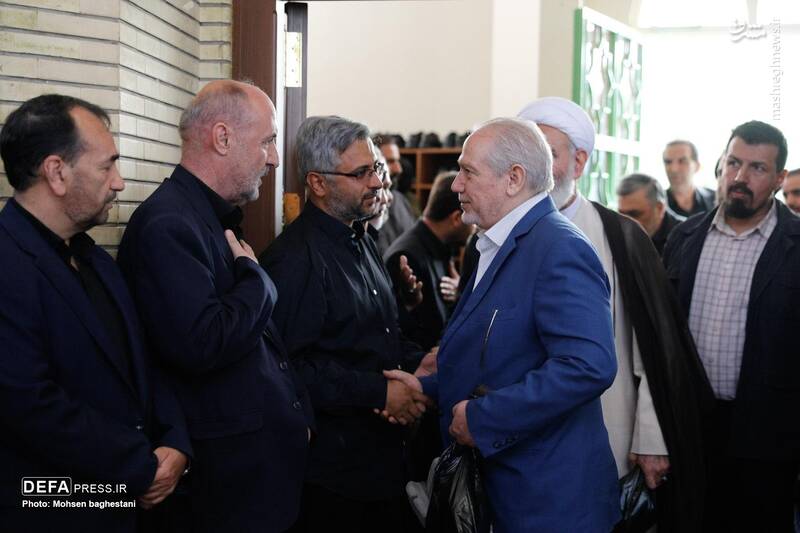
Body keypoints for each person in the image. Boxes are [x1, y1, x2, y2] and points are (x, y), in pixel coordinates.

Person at [388, 117, 620, 532]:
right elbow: (500, 358)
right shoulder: (490, 243)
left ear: (514, 178)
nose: (455, 184)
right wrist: (427, 388)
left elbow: (588, 366)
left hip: (547, 502)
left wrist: (484, 419)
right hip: (507, 493)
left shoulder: (559, 248)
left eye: (468, 172)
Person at [117, 80, 313, 532]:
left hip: (257, 476)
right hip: (224, 488)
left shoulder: (207, 215)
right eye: (267, 141)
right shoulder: (168, 224)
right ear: (222, 138)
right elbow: (201, 342)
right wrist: (258, 281)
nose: (275, 158)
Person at [519, 97, 712, 532]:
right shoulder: (495, 234)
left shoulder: (620, 235)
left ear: (579, 162)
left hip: (607, 427)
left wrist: (651, 438)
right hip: (519, 432)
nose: (535, 167)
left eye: (548, 153)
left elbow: (652, 349)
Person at [0, 94, 191, 532]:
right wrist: (140, 466)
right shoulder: (7, 264)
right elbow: (28, 405)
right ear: (57, 172)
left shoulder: (96, 260)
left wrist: (175, 441)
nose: (119, 182)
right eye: (108, 166)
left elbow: (143, 360)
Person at [259, 116, 431, 533]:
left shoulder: (363, 239)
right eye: (361, 173)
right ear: (318, 183)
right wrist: (380, 392)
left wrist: (420, 363)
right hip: (334, 482)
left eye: (375, 169)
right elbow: (288, 370)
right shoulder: (294, 260)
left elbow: (376, 337)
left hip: (383, 466)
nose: (377, 182)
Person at [663, 120, 799, 532]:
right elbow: (663, 336)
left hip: (768, 439)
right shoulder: (685, 237)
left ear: (778, 179)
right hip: (689, 430)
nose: (740, 177)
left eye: (757, 168)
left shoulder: (795, 245)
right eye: (735, 163)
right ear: (721, 164)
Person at [384, 171, 472, 351]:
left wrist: (460, 294)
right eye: (472, 217)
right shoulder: (406, 257)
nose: (476, 225)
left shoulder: (442, 246)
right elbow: (408, 336)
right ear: (457, 218)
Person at [617, 173, 685, 255]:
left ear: (659, 208)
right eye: (621, 215)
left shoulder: (685, 237)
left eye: (635, 214)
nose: (626, 223)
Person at [375, 135, 417, 251]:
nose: (399, 169)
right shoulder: (366, 206)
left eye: (398, 161)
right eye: (390, 161)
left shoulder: (401, 201)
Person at [663, 140, 716, 216]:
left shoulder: (715, 200)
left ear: (697, 166)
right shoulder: (655, 204)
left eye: (682, 161)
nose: (674, 169)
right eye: (668, 162)